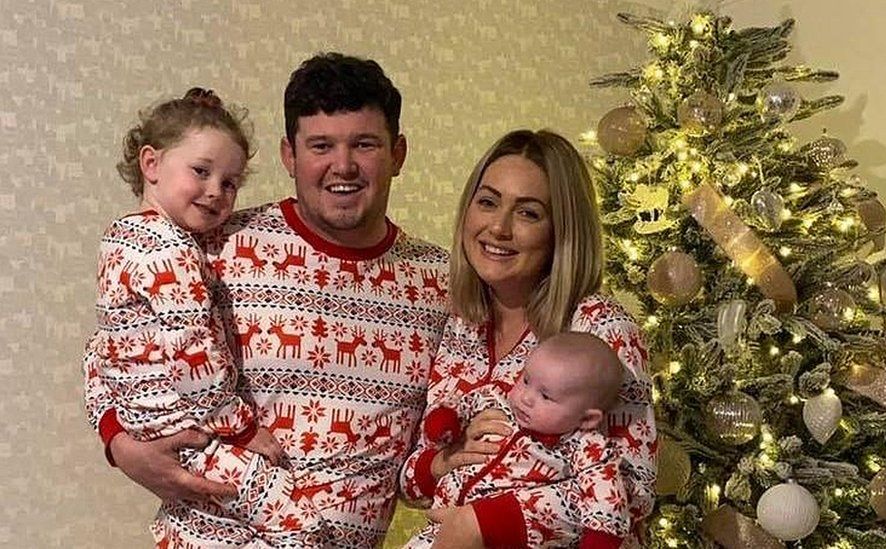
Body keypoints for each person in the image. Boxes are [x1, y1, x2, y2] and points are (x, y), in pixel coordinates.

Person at [84, 53, 452, 547]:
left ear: (398, 153)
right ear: (289, 155)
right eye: (321, 145)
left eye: (364, 144)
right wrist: (121, 445)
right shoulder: (213, 241)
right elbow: (111, 349)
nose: (342, 165)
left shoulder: (444, 282)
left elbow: (440, 441)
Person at [83, 86, 335, 542]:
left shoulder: (119, 237)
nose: (215, 192)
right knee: (305, 531)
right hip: (192, 434)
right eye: (201, 171)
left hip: (153, 425)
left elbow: (100, 349)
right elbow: (194, 352)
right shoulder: (171, 251)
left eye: (230, 182)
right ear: (151, 163)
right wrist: (242, 429)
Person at [399, 129, 657, 548]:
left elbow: (632, 493)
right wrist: (447, 458)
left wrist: (482, 523)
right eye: (487, 202)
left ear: (562, 232)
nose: (498, 227)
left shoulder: (601, 330)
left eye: (528, 213)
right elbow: (412, 483)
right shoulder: (460, 324)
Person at [406, 331, 630, 548]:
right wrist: (446, 422)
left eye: (545, 396)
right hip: (438, 531)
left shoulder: (587, 448)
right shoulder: (497, 398)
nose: (526, 397)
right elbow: (460, 405)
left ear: (587, 418)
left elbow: (608, 507)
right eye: (526, 380)